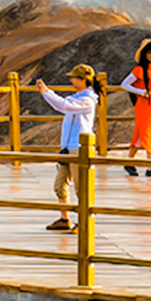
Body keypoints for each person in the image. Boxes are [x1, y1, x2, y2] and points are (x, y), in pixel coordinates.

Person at [37, 65, 101, 231]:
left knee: (81, 188)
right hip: (67, 147)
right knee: (60, 185)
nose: (71, 80)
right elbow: (65, 104)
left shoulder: (87, 100)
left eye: (74, 77)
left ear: (83, 80)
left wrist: (46, 93)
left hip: (79, 148)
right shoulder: (78, 97)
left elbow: (64, 105)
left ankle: (84, 222)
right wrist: (48, 91)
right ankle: (64, 219)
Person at [120, 38, 151, 177]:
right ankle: (140, 164)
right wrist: (141, 92)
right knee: (143, 133)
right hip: (145, 106)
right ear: (144, 54)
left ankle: (145, 165)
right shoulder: (139, 70)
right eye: (150, 53)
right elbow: (124, 84)